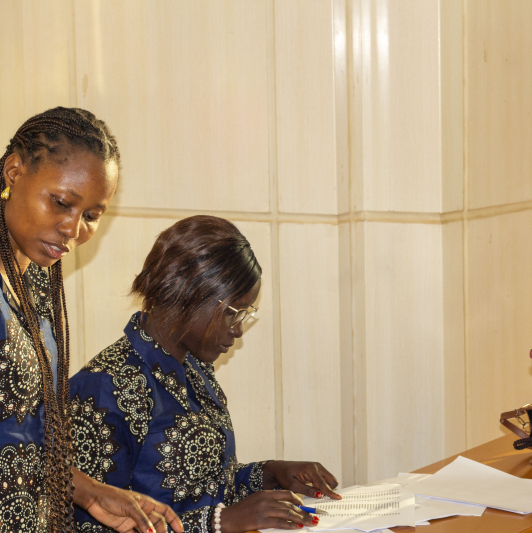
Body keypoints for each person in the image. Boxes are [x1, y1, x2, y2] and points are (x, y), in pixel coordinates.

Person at [70, 215, 342, 533]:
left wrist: (269, 474)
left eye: (245, 315)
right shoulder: (104, 387)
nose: (238, 330)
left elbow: (206, 486)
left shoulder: (193, 369)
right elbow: (89, 527)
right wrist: (218, 522)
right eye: (233, 313)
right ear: (187, 293)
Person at [0, 107, 183, 533]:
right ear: (14, 172)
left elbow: (23, 440)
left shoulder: (36, 282)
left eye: (91, 216)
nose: (73, 230)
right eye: (61, 202)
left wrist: (92, 493)